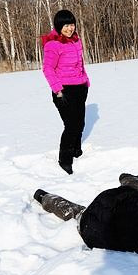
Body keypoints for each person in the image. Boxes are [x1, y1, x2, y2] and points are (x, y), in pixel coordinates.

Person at [42, 9, 90, 174]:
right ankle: (65, 159)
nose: (70, 28)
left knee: (80, 122)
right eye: (66, 25)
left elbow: (80, 64)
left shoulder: (76, 40)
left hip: (80, 87)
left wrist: (86, 81)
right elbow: (47, 69)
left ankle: (76, 150)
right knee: (71, 125)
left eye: (72, 24)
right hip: (63, 90)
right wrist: (58, 91)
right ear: (58, 26)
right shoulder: (52, 45)